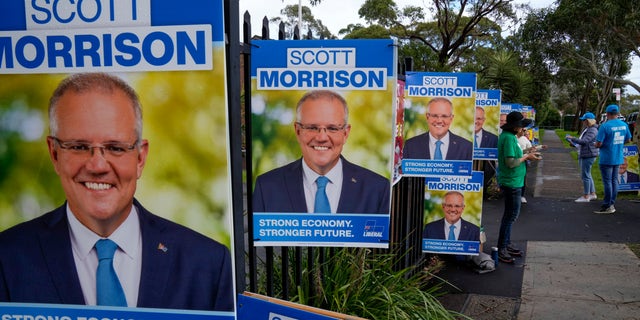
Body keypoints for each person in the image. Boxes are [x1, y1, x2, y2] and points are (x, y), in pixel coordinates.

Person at [0, 73, 234, 311]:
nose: (98, 166)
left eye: (115, 148)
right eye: (79, 147)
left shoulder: (208, 265)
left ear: (140, 158)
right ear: (55, 154)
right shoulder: (7, 260)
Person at [253, 90, 390, 214]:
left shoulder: (377, 189)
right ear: (298, 131)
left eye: (332, 128)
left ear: (345, 133)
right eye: (312, 127)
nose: (322, 138)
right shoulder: (267, 187)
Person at [496, 111, 541, 263]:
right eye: (522, 126)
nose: (523, 129)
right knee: (510, 216)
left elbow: (514, 154)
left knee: (510, 215)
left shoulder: (510, 137)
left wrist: (527, 151)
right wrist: (527, 157)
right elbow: (511, 162)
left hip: (513, 181)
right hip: (512, 182)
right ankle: (502, 247)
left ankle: (506, 244)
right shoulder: (509, 138)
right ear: (515, 127)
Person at [403, 97, 473, 160]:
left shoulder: (466, 147)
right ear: (427, 117)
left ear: (451, 119)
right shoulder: (410, 146)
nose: (439, 121)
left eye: (444, 116)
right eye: (434, 116)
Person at [594, 104, 631, 214]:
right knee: (614, 181)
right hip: (618, 157)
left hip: (606, 157)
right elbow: (628, 140)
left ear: (608, 114)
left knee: (607, 182)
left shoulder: (605, 126)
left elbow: (599, 143)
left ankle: (607, 205)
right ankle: (612, 203)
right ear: (618, 113)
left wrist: (597, 145)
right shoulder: (624, 125)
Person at [566, 112, 599, 202]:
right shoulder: (589, 129)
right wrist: (574, 144)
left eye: (584, 120)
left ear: (588, 121)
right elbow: (583, 142)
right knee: (588, 174)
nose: (583, 122)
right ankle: (592, 194)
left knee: (585, 176)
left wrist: (572, 138)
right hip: (587, 153)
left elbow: (585, 141)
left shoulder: (592, 130)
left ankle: (586, 196)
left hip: (588, 154)